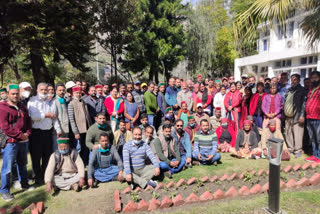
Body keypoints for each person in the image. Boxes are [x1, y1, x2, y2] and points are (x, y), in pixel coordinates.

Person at [0, 84, 33, 201]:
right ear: (8, 94)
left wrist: (27, 134)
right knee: (7, 168)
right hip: (11, 142)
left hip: (23, 141)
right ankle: (4, 191)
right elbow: (5, 127)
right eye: (12, 93)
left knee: (22, 164)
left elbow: (28, 121)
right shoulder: (2, 107)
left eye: (17, 93)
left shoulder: (23, 106)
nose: (15, 95)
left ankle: (24, 184)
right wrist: (20, 135)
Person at [28, 83, 62, 184]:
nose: (44, 92)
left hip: (48, 132)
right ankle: (38, 177)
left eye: (45, 90)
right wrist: (46, 115)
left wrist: (58, 129)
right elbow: (33, 116)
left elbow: (54, 117)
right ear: (37, 90)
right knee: (36, 156)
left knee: (47, 156)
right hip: (36, 133)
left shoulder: (50, 102)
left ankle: (46, 176)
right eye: (41, 90)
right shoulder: (32, 101)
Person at [284, 74, 308, 158]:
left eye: (295, 79)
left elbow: (304, 104)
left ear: (298, 80)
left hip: (297, 116)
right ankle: (290, 148)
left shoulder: (302, 90)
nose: (293, 81)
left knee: (298, 134)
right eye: (292, 80)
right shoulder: (289, 90)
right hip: (288, 116)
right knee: (288, 133)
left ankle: (298, 150)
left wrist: (302, 115)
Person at [68, 86, 92, 165]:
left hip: (86, 129)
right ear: (73, 93)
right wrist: (75, 131)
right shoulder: (71, 104)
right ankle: (77, 164)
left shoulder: (83, 102)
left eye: (79, 93)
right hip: (78, 130)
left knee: (85, 147)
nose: (78, 94)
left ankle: (85, 162)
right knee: (78, 148)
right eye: (76, 93)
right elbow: (71, 119)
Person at [304, 71, 320, 162]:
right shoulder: (311, 89)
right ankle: (315, 155)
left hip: (318, 118)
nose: (314, 79)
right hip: (310, 117)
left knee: (319, 138)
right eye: (312, 78)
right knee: (313, 138)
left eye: (316, 77)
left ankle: (319, 156)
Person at [52, 83, 69, 151]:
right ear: (56, 91)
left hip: (65, 128)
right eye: (60, 90)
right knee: (57, 149)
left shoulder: (65, 100)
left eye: (63, 90)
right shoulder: (54, 101)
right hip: (58, 130)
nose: (62, 92)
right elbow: (54, 116)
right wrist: (57, 129)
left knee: (65, 148)